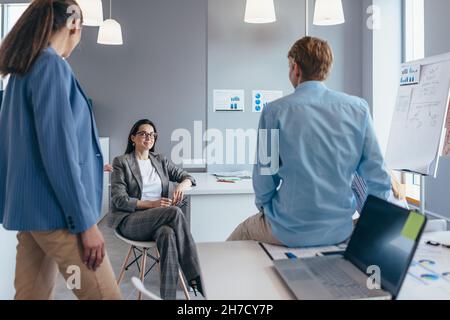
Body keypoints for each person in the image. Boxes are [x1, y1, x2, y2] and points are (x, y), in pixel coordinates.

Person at [0, 0, 121, 299]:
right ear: (74, 26)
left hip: (31, 216)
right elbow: (59, 154)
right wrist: (86, 225)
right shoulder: (50, 65)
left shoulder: (21, 71)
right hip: (58, 217)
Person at [228, 36, 393, 248]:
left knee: (241, 232)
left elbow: (264, 178)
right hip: (339, 231)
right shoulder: (358, 109)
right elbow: (378, 176)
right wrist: (370, 221)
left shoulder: (274, 112)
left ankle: (199, 281)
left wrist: (266, 209)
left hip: (287, 230)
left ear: (296, 68)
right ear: (326, 69)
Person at [107, 119, 203, 300]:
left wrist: (182, 185)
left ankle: (169, 298)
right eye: (143, 133)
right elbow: (119, 200)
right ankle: (195, 277)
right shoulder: (122, 162)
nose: (148, 137)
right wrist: (152, 204)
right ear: (133, 138)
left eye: (152, 134)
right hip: (131, 220)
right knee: (174, 212)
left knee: (167, 234)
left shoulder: (160, 160)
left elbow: (187, 176)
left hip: (159, 219)